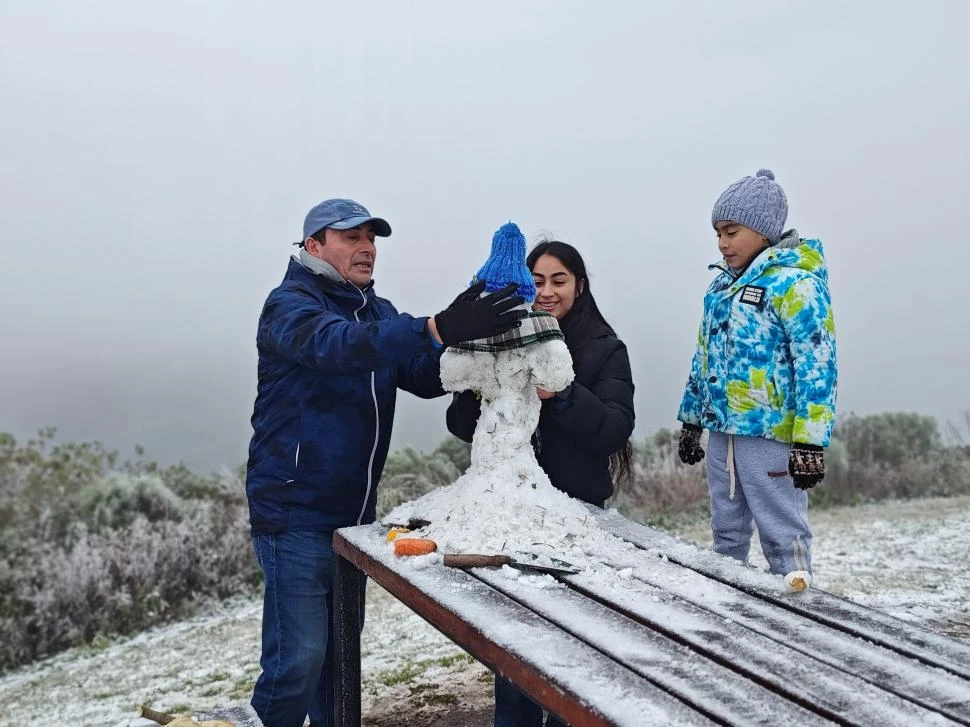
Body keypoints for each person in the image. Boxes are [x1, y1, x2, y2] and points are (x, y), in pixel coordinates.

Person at [245, 198, 527, 727]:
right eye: (351, 237)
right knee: (297, 662)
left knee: (339, 666)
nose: (367, 248)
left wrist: (474, 347)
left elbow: (420, 373)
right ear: (314, 246)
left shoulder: (378, 312)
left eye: (371, 238)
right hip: (294, 512)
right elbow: (340, 347)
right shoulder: (289, 306)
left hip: (354, 518)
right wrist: (437, 326)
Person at [446, 239, 635, 727]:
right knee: (518, 657)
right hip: (516, 518)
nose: (546, 292)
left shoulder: (604, 349)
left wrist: (564, 395)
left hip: (577, 519)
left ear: (580, 286)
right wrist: (479, 377)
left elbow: (614, 428)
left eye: (559, 280)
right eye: (537, 282)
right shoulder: (506, 336)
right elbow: (461, 423)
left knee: (574, 657)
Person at [676, 169, 837, 592]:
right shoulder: (719, 290)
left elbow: (817, 365)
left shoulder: (795, 285)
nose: (722, 243)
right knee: (726, 529)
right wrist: (692, 419)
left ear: (763, 232)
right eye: (717, 234)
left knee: (782, 528)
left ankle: (799, 607)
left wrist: (810, 441)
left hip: (770, 436)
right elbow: (703, 358)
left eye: (731, 231)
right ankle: (729, 600)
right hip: (721, 432)